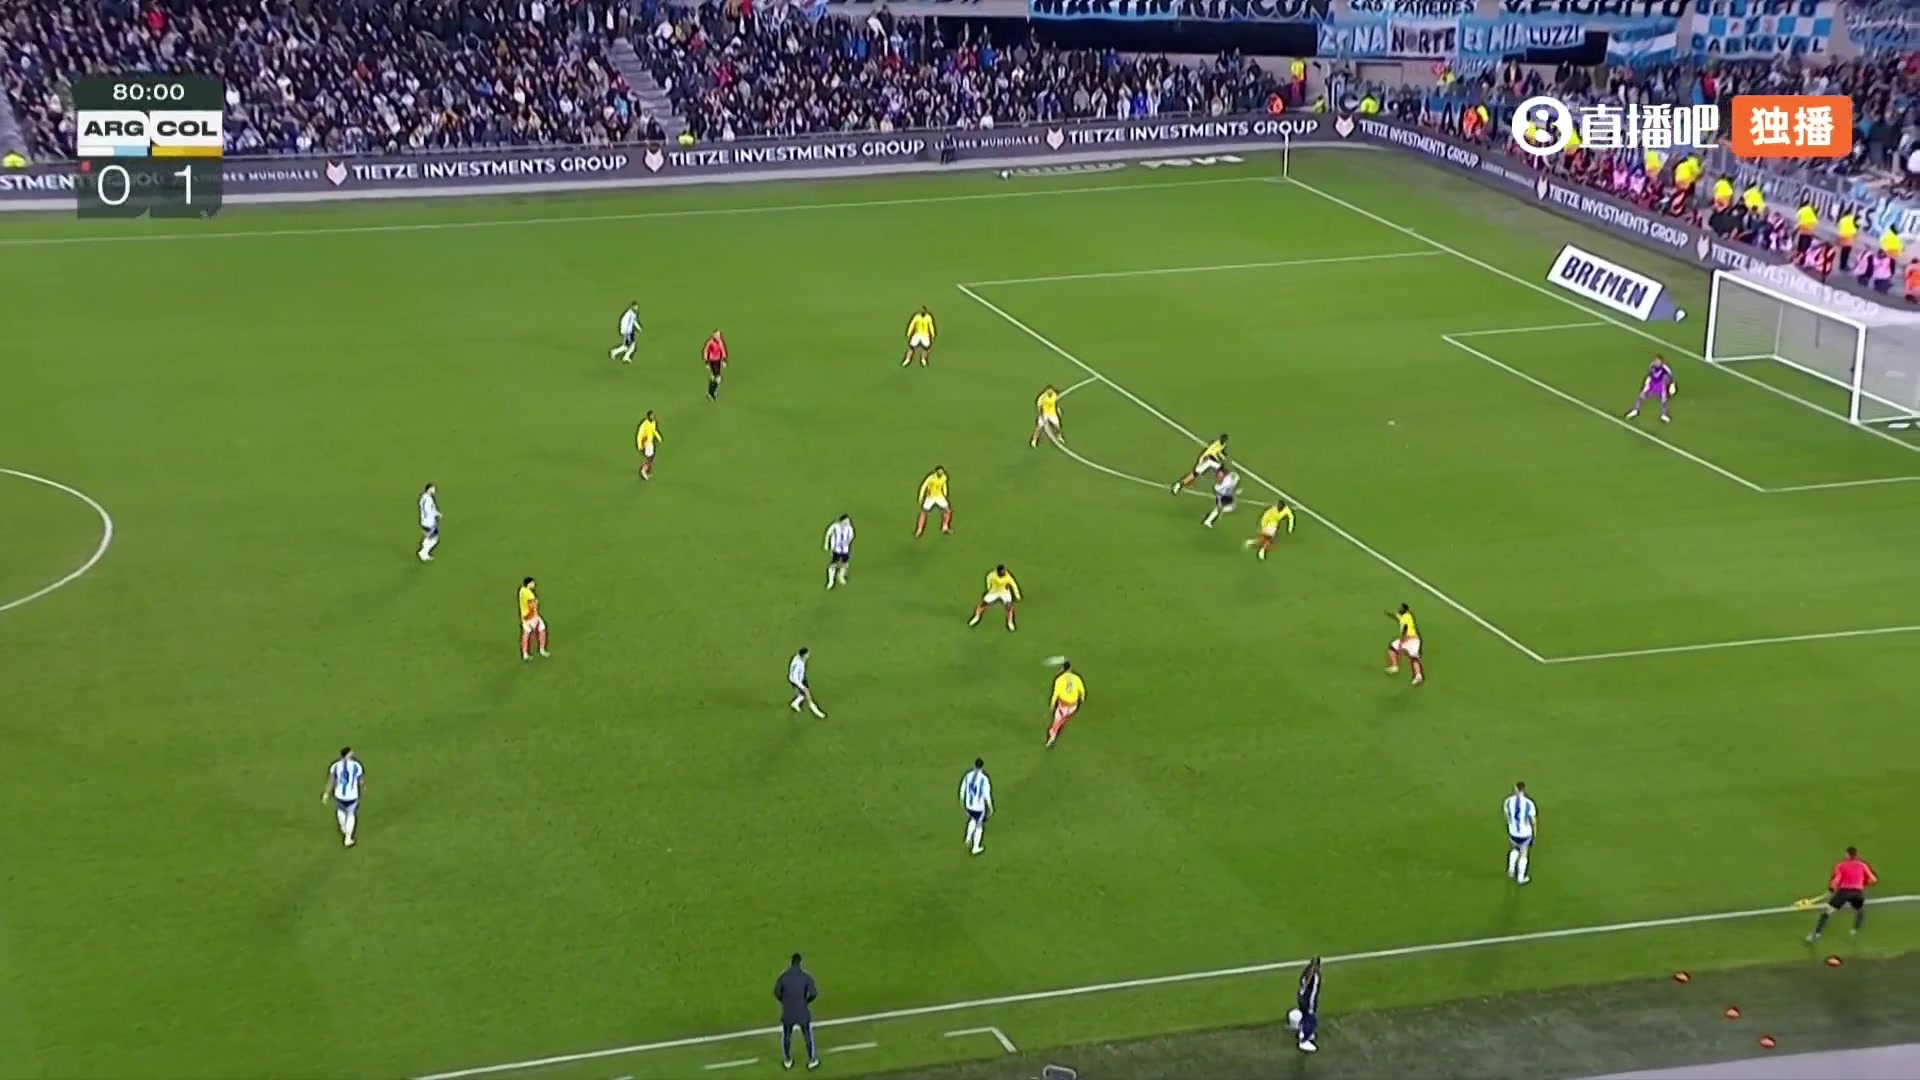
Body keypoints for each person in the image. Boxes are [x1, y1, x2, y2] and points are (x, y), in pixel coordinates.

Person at [1807, 846, 1877, 942]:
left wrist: (1831, 889)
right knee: (1860, 911)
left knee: (1827, 912)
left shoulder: (1840, 866)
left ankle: (1817, 934)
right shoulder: (1862, 865)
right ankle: (1854, 931)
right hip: (1857, 893)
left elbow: (1836, 880)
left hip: (1844, 892)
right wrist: (1862, 884)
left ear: (1847, 855)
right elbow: (1873, 880)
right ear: (1856, 855)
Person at [774, 953, 819, 1070]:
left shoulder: (783, 977)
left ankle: (787, 1060)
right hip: (802, 1011)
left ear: (791, 962)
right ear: (800, 963)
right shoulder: (805, 977)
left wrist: (784, 1001)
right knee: (807, 1035)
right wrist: (806, 1001)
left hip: (788, 1012)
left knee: (787, 1035)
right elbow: (813, 993)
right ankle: (811, 1060)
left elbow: (777, 992)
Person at [324, 747, 364, 848]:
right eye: (351, 752)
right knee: (351, 815)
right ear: (348, 754)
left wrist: (327, 793)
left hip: (339, 795)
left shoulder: (335, 766)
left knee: (340, 810)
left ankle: (343, 827)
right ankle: (348, 839)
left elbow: (331, 781)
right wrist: (363, 787)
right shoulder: (356, 765)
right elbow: (361, 780)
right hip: (352, 796)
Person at [1044, 660, 1085, 747]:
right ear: (1070, 668)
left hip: (1063, 706)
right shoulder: (1077, 678)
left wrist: (1052, 704)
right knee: (1064, 719)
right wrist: (1082, 698)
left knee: (1056, 721)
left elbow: (1056, 693)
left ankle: (1052, 736)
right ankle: (1058, 727)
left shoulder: (1059, 679)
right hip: (1073, 706)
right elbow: (1082, 691)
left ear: (1063, 669)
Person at [1503, 781, 1537, 885]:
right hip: (1525, 834)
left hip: (1513, 832)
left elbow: (1507, 816)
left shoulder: (1508, 801)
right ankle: (1520, 878)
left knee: (1514, 849)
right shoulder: (1529, 803)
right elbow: (1533, 821)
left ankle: (1511, 870)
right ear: (1523, 789)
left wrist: (1510, 826)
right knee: (1523, 853)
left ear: (1516, 789)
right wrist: (1534, 834)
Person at [970, 564, 1020, 631]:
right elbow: (988, 578)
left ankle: (1010, 622)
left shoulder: (1008, 577)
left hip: (1004, 592)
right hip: (994, 592)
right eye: (1002, 572)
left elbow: (1014, 585)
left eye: (1004, 572)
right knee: (983, 604)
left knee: (1009, 607)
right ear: (998, 572)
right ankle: (976, 617)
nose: (1003, 573)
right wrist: (988, 587)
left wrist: (1017, 595)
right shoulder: (992, 575)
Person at [959, 758, 993, 855]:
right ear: (982, 766)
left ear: (974, 765)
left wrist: (962, 800)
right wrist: (990, 807)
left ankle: (968, 838)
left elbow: (962, 789)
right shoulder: (984, 779)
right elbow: (986, 795)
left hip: (968, 805)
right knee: (979, 826)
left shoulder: (968, 775)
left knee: (972, 819)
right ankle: (975, 848)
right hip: (978, 808)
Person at [1385, 603, 1422, 685]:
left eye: (1401, 608)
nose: (1399, 609)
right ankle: (1418, 675)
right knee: (1414, 658)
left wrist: (1402, 641)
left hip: (1408, 640)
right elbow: (1397, 616)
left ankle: (1395, 666)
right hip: (1415, 640)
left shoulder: (1404, 618)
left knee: (1392, 648)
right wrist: (1389, 614)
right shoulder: (1407, 616)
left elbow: (1405, 628)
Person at [915, 467, 952, 538]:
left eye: (942, 472)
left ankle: (945, 527)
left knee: (948, 511)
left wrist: (945, 493)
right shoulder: (930, 478)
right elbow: (924, 486)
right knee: (924, 513)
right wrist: (920, 496)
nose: (941, 473)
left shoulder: (944, 477)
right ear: (936, 472)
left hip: (939, 496)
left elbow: (944, 484)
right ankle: (919, 530)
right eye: (939, 472)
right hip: (930, 497)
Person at [519, 577, 549, 661]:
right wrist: (536, 606)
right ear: (528, 584)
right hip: (531, 616)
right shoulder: (530, 595)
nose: (534, 584)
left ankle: (525, 654)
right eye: (532, 583)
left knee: (526, 633)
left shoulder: (522, 590)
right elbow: (532, 606)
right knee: (542, 629)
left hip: (524, 616)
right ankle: (542, 650)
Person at [823, 514, 854, 590]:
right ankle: (831, 581)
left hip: (845, 550)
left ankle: (841, 576)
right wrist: (826, 544)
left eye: (848, 521)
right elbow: (828, 534)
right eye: (846, 521)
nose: (847, 523)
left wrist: (846, 544)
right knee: (834, 564)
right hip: (836, 549)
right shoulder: (835, 526)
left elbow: (851, 537)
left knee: (844, 563)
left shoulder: (849, 528)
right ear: (842, 520)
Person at [417, 483, 441, 562]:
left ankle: (424, 546)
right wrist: (436, 514)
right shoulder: (428, 499)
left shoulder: (423, 497)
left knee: (430, 536)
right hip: (429, 522)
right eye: (433, 489)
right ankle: (423, 553)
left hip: (424, 521)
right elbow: (428, 510)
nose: (434, 490)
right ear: (429, 489)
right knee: (434, 539)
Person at [635, 411, 661, 480]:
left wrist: (658, 437)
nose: (653, 416)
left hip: (651, 442)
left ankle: (646, 470)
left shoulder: (653, 422)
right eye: (651, 416)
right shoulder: (644, 425)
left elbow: (654, 430)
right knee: (650, 459)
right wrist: (639, 446)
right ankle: (643, 471)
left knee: (652, 459)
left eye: (653, 415)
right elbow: (639, 435)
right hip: (646, 443)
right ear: (648, 416)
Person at [703, 331, 728, 401]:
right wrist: (706, 362)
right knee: (718, 378)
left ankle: (710, 392)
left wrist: (724, 360)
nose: (718, 337)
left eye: (719, 335)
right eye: (717, 335)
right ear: (714, 336)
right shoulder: (710, 342)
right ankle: (712, 393)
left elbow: (722, 350)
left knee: (714, 377)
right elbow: (706, 351)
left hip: (718, 361)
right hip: (712, 361)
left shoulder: (720, 341)